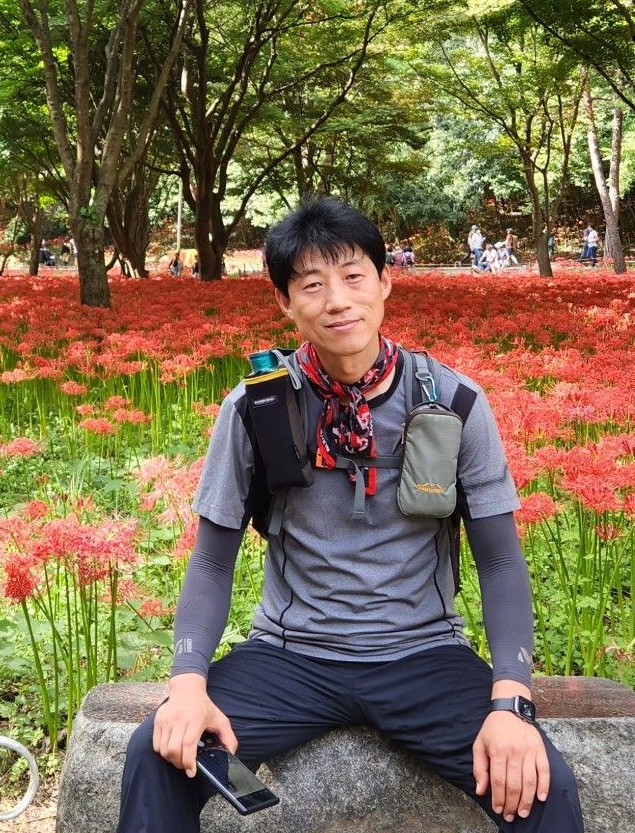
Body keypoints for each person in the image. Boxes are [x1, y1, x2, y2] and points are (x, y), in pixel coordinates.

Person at [117, 198, 583, 833]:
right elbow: (211, 562)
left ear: (386, 281)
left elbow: (500, 562)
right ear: (285, 302)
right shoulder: (253, 408)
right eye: (312, 284)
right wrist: (188, 686)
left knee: (541, 786)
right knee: (157, 756)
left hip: (423, 653)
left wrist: (511, 703)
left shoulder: (453, 402)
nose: (337, 301)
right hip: (290, 656)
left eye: (354, 276)